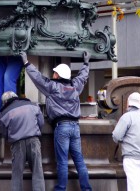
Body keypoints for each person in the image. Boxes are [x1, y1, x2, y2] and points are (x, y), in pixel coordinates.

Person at [20, 50, 92, 191]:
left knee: (62, 161)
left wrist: (26, 63)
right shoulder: (75, 86)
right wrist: (86, 63)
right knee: (79, 160)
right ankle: (86, 189)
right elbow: (83, 76)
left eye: (54, 73)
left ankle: (61, 188)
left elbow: (38, 78)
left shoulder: (52, 87)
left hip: (62, 127)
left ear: (57, 75)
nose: (53, 75)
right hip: (75, 127)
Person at [0, 91, 45, 191]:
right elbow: (41, 122)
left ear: (5, 102)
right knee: (38, 172)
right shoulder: (32, 105)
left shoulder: (4, 113)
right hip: (34, 140)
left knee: (17, 174)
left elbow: (4, 133)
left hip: (17, 144)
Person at [112, 92, 140, 191]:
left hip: (132, 158)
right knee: (138, 186)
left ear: (128, 103)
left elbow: (116, 136)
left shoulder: (127, 117)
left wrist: (124, 139)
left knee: (133, 187)